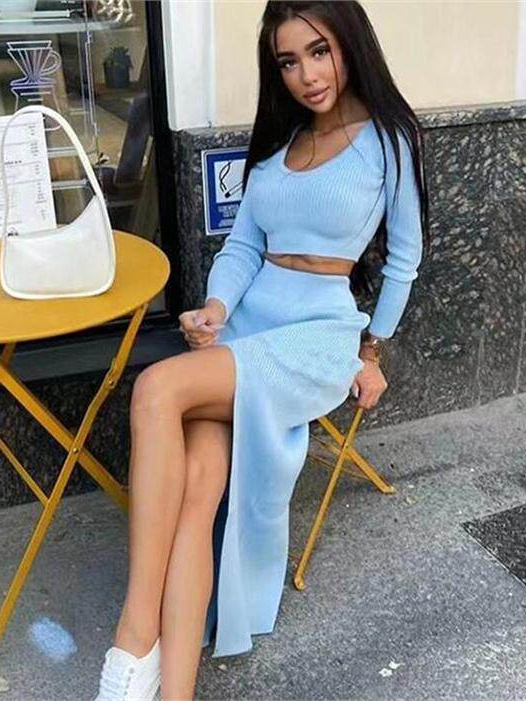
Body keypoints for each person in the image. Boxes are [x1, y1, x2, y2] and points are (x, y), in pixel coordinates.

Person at [94, 1, 431, 699]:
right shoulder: (280, 147)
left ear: (349, 44)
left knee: (155, 389)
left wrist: (373, 352)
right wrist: (215, 309)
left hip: (316, 336)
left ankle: (134, 631)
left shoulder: (389, 138)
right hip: (246, 325)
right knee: (196, 486)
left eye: (319, 51)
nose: (306, 74)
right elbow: (244, 246)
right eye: (288, 61)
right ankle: (171, 690)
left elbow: (404, 257)